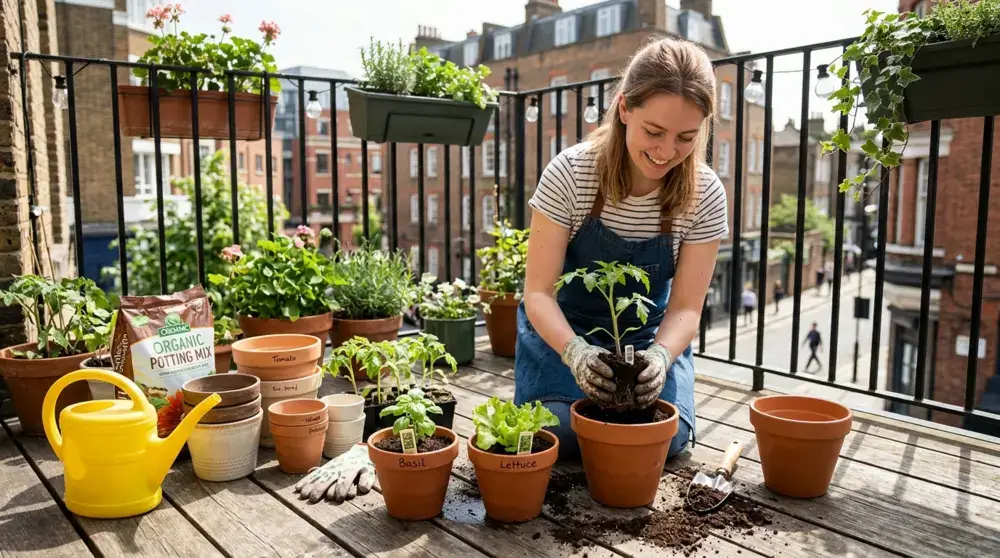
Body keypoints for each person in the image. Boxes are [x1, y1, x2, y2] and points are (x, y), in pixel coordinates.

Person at [514, 38, 727, 461]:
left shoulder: (704, 194)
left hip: (647, 340)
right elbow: (537, 294)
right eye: (654, 131)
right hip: (564, 334)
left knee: (667, 436)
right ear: (625, 108)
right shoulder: (571, 174)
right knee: (562, 429)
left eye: (686, 136)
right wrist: (576, 354)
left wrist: (662, 358)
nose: (666, 152)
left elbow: (686, 308)